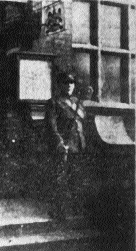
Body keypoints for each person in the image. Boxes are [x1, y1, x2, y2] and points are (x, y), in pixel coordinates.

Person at [44, 72, 86, 220]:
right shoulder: (53, 102)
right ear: (59, 85)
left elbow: (81, 122)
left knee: (76, 179)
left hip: (78, 145)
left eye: (72, 82)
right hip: (64, 146)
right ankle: (59, 211)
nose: (69, 85)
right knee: (60, 180)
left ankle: (75, 210)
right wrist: (59, 143)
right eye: (66, 82)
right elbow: (51, 126)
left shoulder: (77, 102)